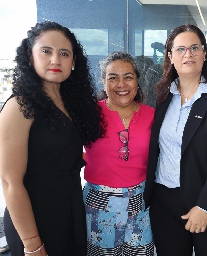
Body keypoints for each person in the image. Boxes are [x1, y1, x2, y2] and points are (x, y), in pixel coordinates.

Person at [0, 21, 104, 256]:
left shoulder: (73, 106)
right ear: (30, 55)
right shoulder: (19, 107)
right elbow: (10, 183)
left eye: (64, 54)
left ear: (73, 61)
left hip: (70, 211)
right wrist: (32, 244)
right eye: (46, 51)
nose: (56, 60)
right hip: (34, 219)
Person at [143, 24, 207, 256]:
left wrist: (205, 206)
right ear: (170, 56)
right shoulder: (159, 96)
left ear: (204, 53)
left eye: (194, 48)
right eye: (180, 49)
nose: (187, 54)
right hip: (164, 203)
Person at [83, 52, 155, 255]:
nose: (121, 84)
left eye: (128, 77)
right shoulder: (89, 114)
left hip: (140, 201)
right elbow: (66, 150)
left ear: (137, 81)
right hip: (99, 202)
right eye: (113, 78)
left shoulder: (152, 115)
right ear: (103, 82)